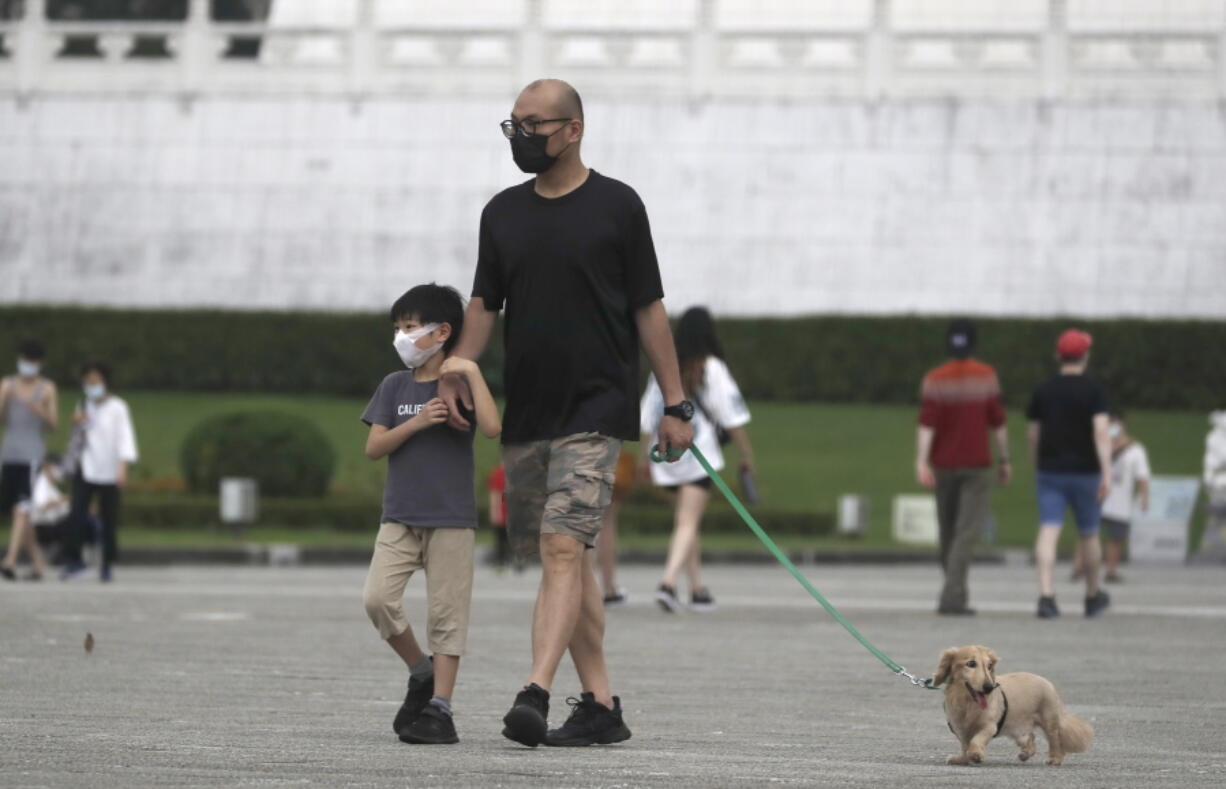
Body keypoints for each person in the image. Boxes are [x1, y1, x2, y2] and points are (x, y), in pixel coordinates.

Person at [440, 78, 693, 748]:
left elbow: (649, 308)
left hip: (597, 405)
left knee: (560, 546)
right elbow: (481, 305)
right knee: (569, 561)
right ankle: (602, 704)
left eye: (534, 125)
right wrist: (457, 372)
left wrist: (675, 402)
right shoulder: (501, 214)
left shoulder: (618, 206)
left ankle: (536, 689)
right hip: (528, 411)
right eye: (513, 125)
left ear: (573, 129)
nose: (521, 137)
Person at [360, 283, 501, 746]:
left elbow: (494, 429)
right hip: (399, 517)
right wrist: (417, 421)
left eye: (409, 328)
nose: (401, 337)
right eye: (397, 328)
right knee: (377, 599)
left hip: (451, 520)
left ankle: (440, 708)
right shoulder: (393, 386)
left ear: (442, 331)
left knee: (447, 617)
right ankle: (419, 671)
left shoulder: (460, 385)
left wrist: (472, 373)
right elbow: (374, 447)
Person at [641, 307, 753, 614]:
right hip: (698, 453)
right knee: (688, 522)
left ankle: (697, 590)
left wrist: (643, 459)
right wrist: (746, 454)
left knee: (687, 523)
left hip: (665, 455)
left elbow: (649, 415)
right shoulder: (712, 367)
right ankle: (667, 583)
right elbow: (731, 416)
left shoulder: (664, 366)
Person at [915, 319, 1011, 616]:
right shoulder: (986, 376)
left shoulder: (934, 378)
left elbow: (927, 424)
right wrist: (1005, 459)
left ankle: (954, 591)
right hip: (977, 464)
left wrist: (921, 459)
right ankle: (953, 596)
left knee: (948, 531)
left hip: (943, 464)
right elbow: (998, 423)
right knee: (965, 532)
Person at [1026, 329, 1112, 619]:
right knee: (1089, 533)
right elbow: (1101, 432)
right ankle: (1092, 594)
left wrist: (1036, 463)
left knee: (1049, 530)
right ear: (1085, 356)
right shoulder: (1094, 391)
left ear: (1058, 355)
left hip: (1050, 471)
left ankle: (1047, 595)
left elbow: (1033, 435)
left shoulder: (1043, 390)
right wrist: (1107, 472)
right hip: (1086, 472)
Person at [59, 360, 137, 583]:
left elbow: (125, 439)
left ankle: (107, 563)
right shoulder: (83, 406)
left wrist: (123, 467)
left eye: (95, 381)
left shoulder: (118, 407)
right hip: (86, 467)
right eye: (87, 382)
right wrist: (77, 424)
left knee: (109, 520)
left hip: (111, 470)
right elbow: (76, 441)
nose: (90, 386)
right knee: (77, 515)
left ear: (105, 382)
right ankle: (73, 561)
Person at [1071, 412, 1150, 583]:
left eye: (1115, 425)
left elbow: (1142, 476)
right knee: (1087, 533)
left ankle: (1110, 570)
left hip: (1120, 502)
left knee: (1116, 538)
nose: (1112, 429)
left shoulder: (1136, 450)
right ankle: (1079, 566)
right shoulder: (1098, 445)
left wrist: (1144, 496)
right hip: (1097, 496)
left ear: (1123, 426)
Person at [1, 340, 59, 539]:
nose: (27, 365)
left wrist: (41, 411)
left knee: (23, 508)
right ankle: (38, 563)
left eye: (32, 361)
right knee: (15, 511)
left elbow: (53, 424)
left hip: (32, 455)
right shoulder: (7, 385)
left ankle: (10, 559)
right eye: (25, 360)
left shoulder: (47, 388)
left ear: (39, 363)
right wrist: (4, 401)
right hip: (9, 454)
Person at [1, 453, 71, 581]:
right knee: (22, 513)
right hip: (44, 524)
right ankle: (11, 560)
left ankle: (28, 563)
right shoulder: (39, 480)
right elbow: (42, 504)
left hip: (39, 520)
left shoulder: (48, 484)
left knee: (24, 519)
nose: (59, 471)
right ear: (48, 466)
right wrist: (65, 500)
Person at [597, 450, 636, 607]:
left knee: (579, 520)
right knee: (606, 521)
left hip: (570, 449)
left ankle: (585, 588)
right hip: (606, 448)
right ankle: (607, 588)